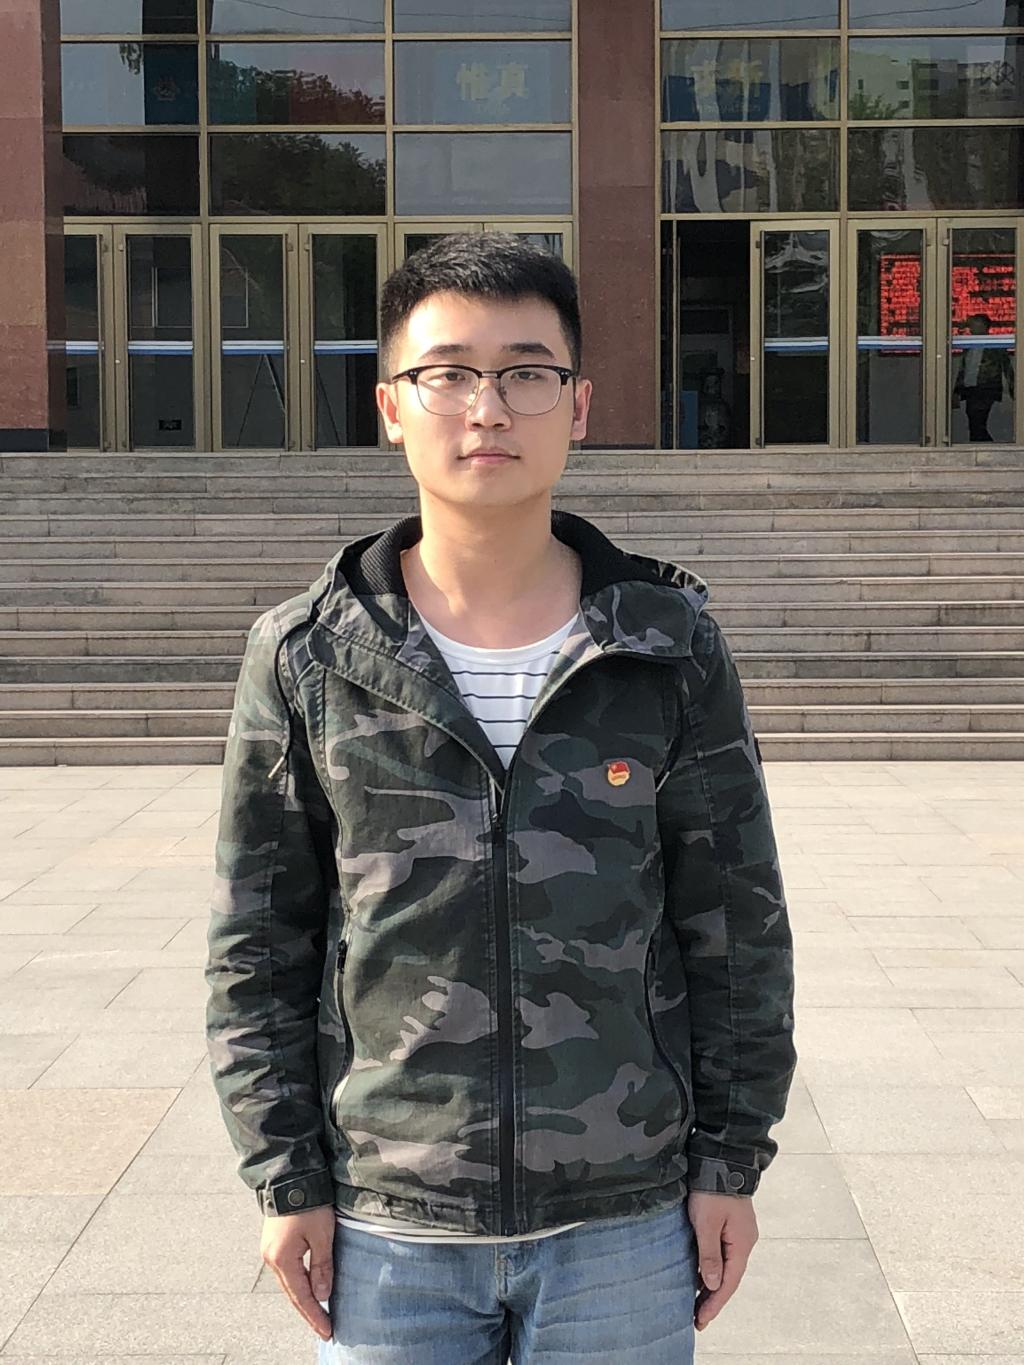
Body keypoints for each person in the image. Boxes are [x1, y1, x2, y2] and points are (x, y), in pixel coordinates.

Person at [205, 232, 797, 1365]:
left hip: (622, 1219)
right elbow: (257, 942)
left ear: (579, 405)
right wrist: (285, 1179)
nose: (487, 408)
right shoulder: (308, 653)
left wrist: (731, 1164)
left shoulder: (665, 645)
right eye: (448, 373)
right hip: (390, 1225)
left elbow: (736, 925)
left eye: (526, 373)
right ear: (391, 405)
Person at [952, 312, 1015, 441]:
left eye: (974, 326)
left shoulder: (994, 345)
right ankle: (979, 444)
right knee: (974, 422)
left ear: (984, 326)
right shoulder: (968, 345)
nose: (971, 329)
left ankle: (983, 445)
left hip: (986, 388)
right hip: (970, 389)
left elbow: (1007, 367)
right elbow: (963, 369)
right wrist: (957, 391)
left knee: (977, 421)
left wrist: (1013, 389)